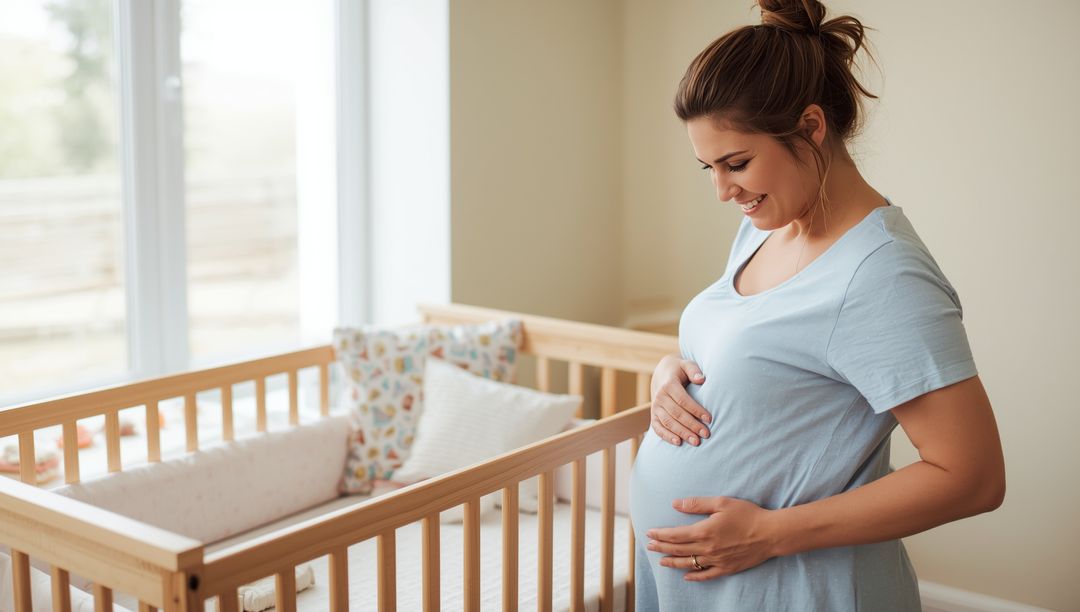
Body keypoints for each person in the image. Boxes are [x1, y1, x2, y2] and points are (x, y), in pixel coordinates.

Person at [626, 1, 1006, 610]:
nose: (723, 191)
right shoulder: (768, 224)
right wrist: (674, 371)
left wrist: (769, 534)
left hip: (793, 586)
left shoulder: (884, 277)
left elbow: (973, 476)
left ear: (809, 127)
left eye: (737, 163)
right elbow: (765, 347)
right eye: (708, 167)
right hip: (708, 581)